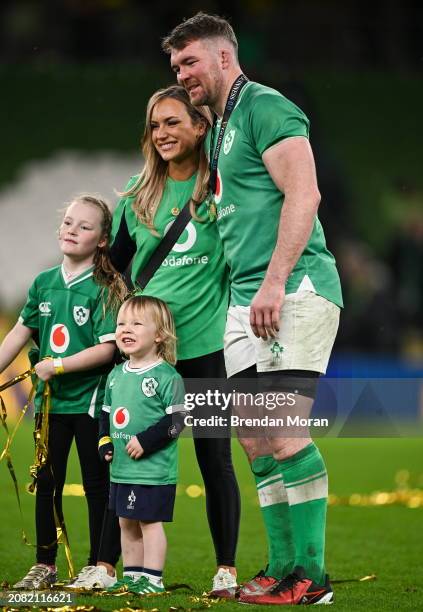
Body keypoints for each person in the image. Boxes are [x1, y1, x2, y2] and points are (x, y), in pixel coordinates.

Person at [163, 12, 342, 606]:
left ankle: (312, 580)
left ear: (222, 57)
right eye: (175, 65)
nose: (182, 74)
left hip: (292, 291)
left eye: (189, 62)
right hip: (244, 303)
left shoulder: (268, 107)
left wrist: (273, 282)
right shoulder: (218, 130)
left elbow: (305, 193)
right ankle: (280, 567)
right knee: (256, 440)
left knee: (286, 432)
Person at [70, 85, 240, 597]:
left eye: (172, 122)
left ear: (201, 126)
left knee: (215, 461)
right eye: (154, 125)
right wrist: (121, 325)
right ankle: (104, 563)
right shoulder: (136, 194)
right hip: (142, 356)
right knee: (123, 456)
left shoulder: (221, 190)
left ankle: (226, 570)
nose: (161, 133)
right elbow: (112, 270)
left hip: (206, 348)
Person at [0, 194, 126, 589]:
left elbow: (109, 347)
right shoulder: (44, 283)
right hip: (49, 406)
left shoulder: (106, 286)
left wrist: (58, 365)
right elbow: (18, 336)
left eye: (84, 226)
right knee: (47, 482)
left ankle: (97, 566)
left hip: (91, 403)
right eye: (69, 222)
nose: (72, 230)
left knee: (96, 485)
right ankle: (44, 564)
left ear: (102, 239)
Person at [97, 295, 185, 595]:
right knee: (125, 523)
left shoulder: (166, 376)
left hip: (152, 472)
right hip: (121, 470)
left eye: (136, 323)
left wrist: (145, 441)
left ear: (159, 334)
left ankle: (153, 579)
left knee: (149, 523)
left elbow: (177, 421)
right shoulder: (114, 375)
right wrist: (104, 442)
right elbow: (105, 416)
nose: (126, 329)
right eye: (121, 323)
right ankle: (132, 577)